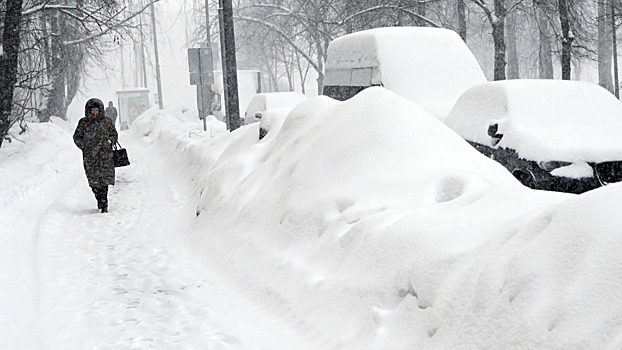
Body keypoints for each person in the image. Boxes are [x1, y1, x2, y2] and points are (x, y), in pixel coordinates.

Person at [73, 98, 118, 213]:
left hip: (105, 157)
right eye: (92, 110)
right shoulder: (83, 123)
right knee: (94, 183)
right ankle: (99, 199)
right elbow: (77, 137)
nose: (94, 113)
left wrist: (109, 142)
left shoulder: (106, 122)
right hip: (90, 158)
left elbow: (114, 134)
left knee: (104, 182)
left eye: (97, 110)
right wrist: (84, 146)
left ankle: (104, 204)